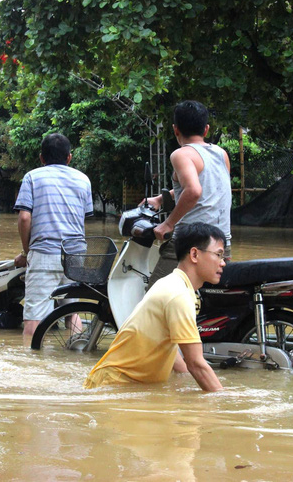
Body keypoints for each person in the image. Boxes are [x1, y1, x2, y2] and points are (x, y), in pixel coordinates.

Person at [84, 222, 225, 392]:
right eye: (218, 254)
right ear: (194, 254)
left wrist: (184, 381)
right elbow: (196, 363)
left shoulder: (174, 285)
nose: (223, 263)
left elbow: (172, 349)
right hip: (114, 388)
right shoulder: (178, 294)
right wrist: (224, 403)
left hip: (119, 385)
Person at [13, 132, 93, 337]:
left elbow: (24, 218)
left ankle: (32, 365)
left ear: (41, 158)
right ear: (69, 157)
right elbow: (81, 219)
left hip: (44, 253)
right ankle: (76, 351)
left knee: (34, 316)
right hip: (75, 254)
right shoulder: (83, 180)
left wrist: (27, 252)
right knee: (71, 310)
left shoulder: (32, 177)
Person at [146, 100, 232, 287]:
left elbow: (193, 190)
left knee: (154, 295)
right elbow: (209, 186)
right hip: (221, 243)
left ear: (176, 130)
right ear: (206, 129)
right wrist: (161, 199)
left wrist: (168, 224)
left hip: (190, 243)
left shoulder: (181, 154)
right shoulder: (221, 153)